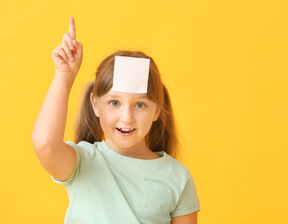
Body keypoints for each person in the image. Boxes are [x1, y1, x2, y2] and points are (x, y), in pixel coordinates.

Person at [32, 17, 200, 224]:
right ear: (95, 104)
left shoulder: (178, 178)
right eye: (114, 103)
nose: (127, 117)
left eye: (140, 105)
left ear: (157, 110)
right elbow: (45, 144)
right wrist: (64, 75)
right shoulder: (82, 163)